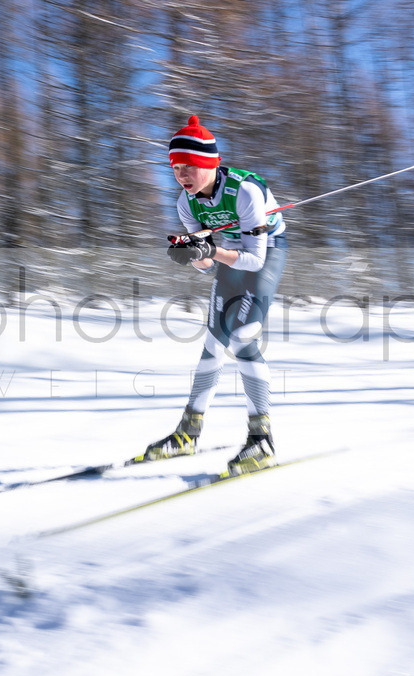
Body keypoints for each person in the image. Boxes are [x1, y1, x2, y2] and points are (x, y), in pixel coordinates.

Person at [139, 115, 288, 475]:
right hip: (233, 254)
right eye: (176, 168)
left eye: (189, 166)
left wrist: (208, 252)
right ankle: (188, 433)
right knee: (213, 341)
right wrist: (191, 255)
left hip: (264, 252)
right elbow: (205, 264)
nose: (181, 174)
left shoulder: (246, 191)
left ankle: (262, 440)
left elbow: (254, 260)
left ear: (209, 163)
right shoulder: (186, 203)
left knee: (243, 338)